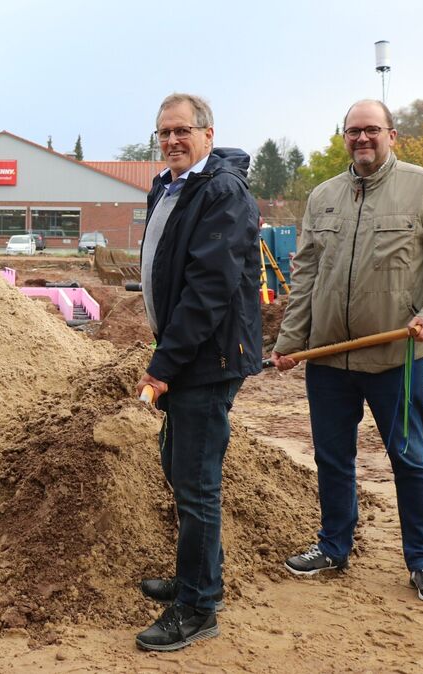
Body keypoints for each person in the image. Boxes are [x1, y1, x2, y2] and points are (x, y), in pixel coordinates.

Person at [272, 100, 423, 602]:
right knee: (332, 459)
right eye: (353, 132)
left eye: (371, 130)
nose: (362, 139)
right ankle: (333, 545)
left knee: (409, 459)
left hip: (396, 359)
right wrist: (290, 343)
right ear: (343, 137)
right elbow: (306, 279)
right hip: (327, 360)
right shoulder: (323, 197)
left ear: (391, 134)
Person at [132, 93, 262, 652]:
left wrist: (163, 366)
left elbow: (209, 290)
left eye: (183, 131)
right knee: (179, 468)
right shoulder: (170, 184)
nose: (172, 141)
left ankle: (199, 606)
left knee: (197, 482)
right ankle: (197, 578)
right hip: (183, 352)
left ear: (209, 133)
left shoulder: (222, 192)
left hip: (206, 360)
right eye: (164, 133)